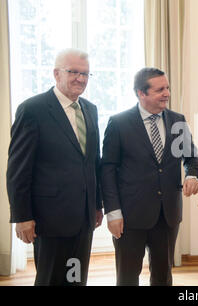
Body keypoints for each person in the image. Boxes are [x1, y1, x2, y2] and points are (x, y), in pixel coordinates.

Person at [6, 48, 103, 286]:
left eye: (86, 74)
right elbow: (18, 169)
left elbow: (94, 163)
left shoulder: (90, 109)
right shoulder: (33, 110)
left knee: (76, 277)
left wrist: (97, 204)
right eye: (73, 72)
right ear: (56, 74)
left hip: (84, 216)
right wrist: (22, 216)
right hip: (49, 218)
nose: (80, 78)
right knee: (50, 279)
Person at [101, 67, 198, 286]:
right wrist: (112, 212)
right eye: (159, 90)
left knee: (163, 277)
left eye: (167, 88)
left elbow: (192, 157)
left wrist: (192, 176)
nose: (166, 93)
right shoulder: (118, 124)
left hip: (167, 215)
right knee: (127, 277)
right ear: (141, 93)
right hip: (129, 217)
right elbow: (107, 170)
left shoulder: (177, 120)